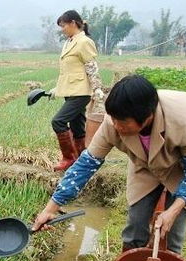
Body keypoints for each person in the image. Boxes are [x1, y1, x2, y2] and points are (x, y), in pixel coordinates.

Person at [33, 75, 186, 254]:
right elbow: (85, 165)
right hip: (146, 163)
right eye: (112, 118)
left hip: (185, 166)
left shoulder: (185, 120)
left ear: (147, 117)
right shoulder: (113, 122)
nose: (115, 125)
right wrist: (50, 209)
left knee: (172, 231)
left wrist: (173, 210)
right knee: (136, 222)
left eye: (121, 122)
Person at [49, 10, 106, 171]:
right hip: (70, 90)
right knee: (77, 126)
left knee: (58, 121)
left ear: (73, 23)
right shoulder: (70, 41)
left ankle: (69, 158)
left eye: (64, 25)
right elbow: (69, 70)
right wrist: (57, 88)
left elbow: (91, 66)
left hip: (80, 92)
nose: (62, 29)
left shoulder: (84, 42)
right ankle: (82, 158)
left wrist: (97, 88)